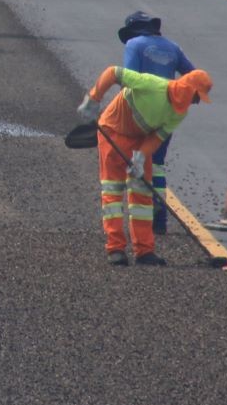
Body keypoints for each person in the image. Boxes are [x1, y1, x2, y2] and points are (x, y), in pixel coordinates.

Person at [77, 63, 213, 266]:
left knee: (142, 196)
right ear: (188, 89)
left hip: (140, 142)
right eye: (196, 98)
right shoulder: (152, 85)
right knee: (113, 193)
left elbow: (158, 136)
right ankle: (115, 249)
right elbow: (113, 72)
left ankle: (144, 250)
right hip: (113, 131)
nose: (196, 103)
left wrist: (140, 158)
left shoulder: (179, 113)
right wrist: (93, 99)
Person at [118, 11, 197, 236]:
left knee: (138, 163)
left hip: (141, 114)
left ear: (133, 30)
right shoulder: (172, 46)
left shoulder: (134, 44)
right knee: (157, 164)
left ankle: (142, 219)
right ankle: (159, 218)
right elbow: (193, 75)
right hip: (167, 112)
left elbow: (129, 79)